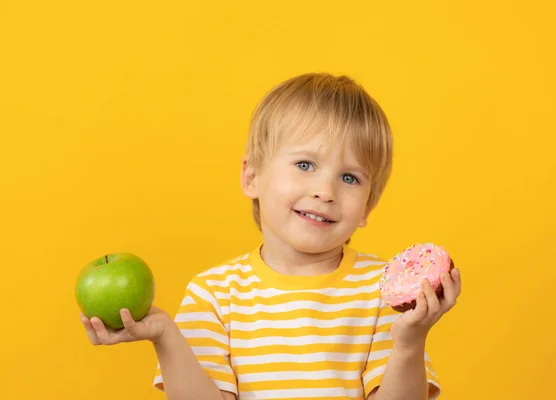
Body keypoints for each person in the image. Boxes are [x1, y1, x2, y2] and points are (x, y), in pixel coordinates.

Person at [80, 72, 462, 400]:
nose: (325, 190)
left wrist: (410, 342)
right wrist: (165, 336)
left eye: (350, 178)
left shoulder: (377, 293)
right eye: (305, 164)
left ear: (367, 207)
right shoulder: (214, 294)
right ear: (252, 177)